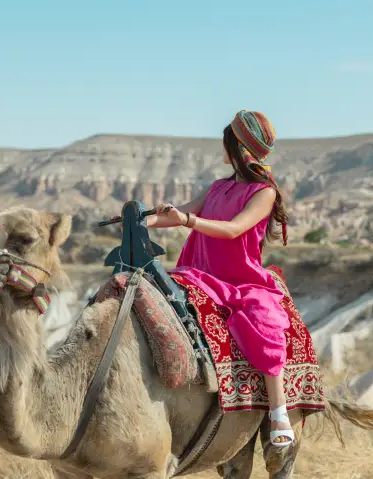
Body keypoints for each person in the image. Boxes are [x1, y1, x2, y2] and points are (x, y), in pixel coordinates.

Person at [145, 109, 294, 447]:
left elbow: (233, 230)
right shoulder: (218, 186)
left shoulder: (263, 192)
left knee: (264, 320)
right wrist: (141, 221)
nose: (222, 150)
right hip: (200, 271)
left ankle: (278, 411)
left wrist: (186, 221)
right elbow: (180, 212)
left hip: (241, 279)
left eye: (226, 143)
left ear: (238, 148)